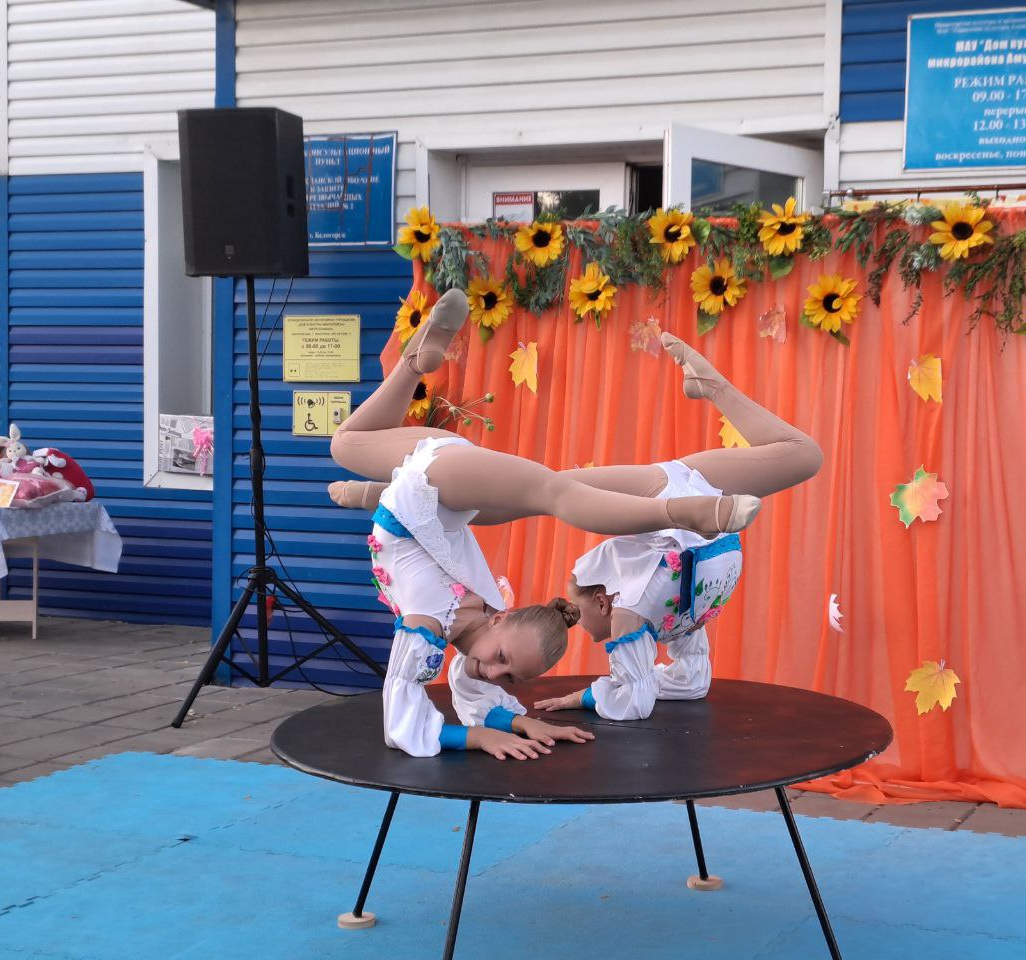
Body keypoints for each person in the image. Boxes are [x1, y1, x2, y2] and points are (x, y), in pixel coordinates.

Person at [331, 292, 762, 759]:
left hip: (430, 483)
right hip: (435, 485)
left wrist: (521, 722)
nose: (494, 673)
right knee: (555, 492)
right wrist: (479, 737)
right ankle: (682, 513)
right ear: (501, 618)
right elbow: (400, 726)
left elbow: (470, 693)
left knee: (347, 442)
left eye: (510, 677)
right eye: (503, 661)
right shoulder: (430, 622)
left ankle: (416, 361)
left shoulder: (456, 629)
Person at [531, 334, 822, 720]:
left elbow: (635, 702)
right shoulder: (670, 621)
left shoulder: (630, 616)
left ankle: (692, 508)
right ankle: (709, 385)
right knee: (805, 455)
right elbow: (691, 684)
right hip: (695, 499)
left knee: (546, 487)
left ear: (602, 601)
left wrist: (586, 697)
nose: (584, 630)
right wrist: (611, 688)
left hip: (679, 504)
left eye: (581, 619)